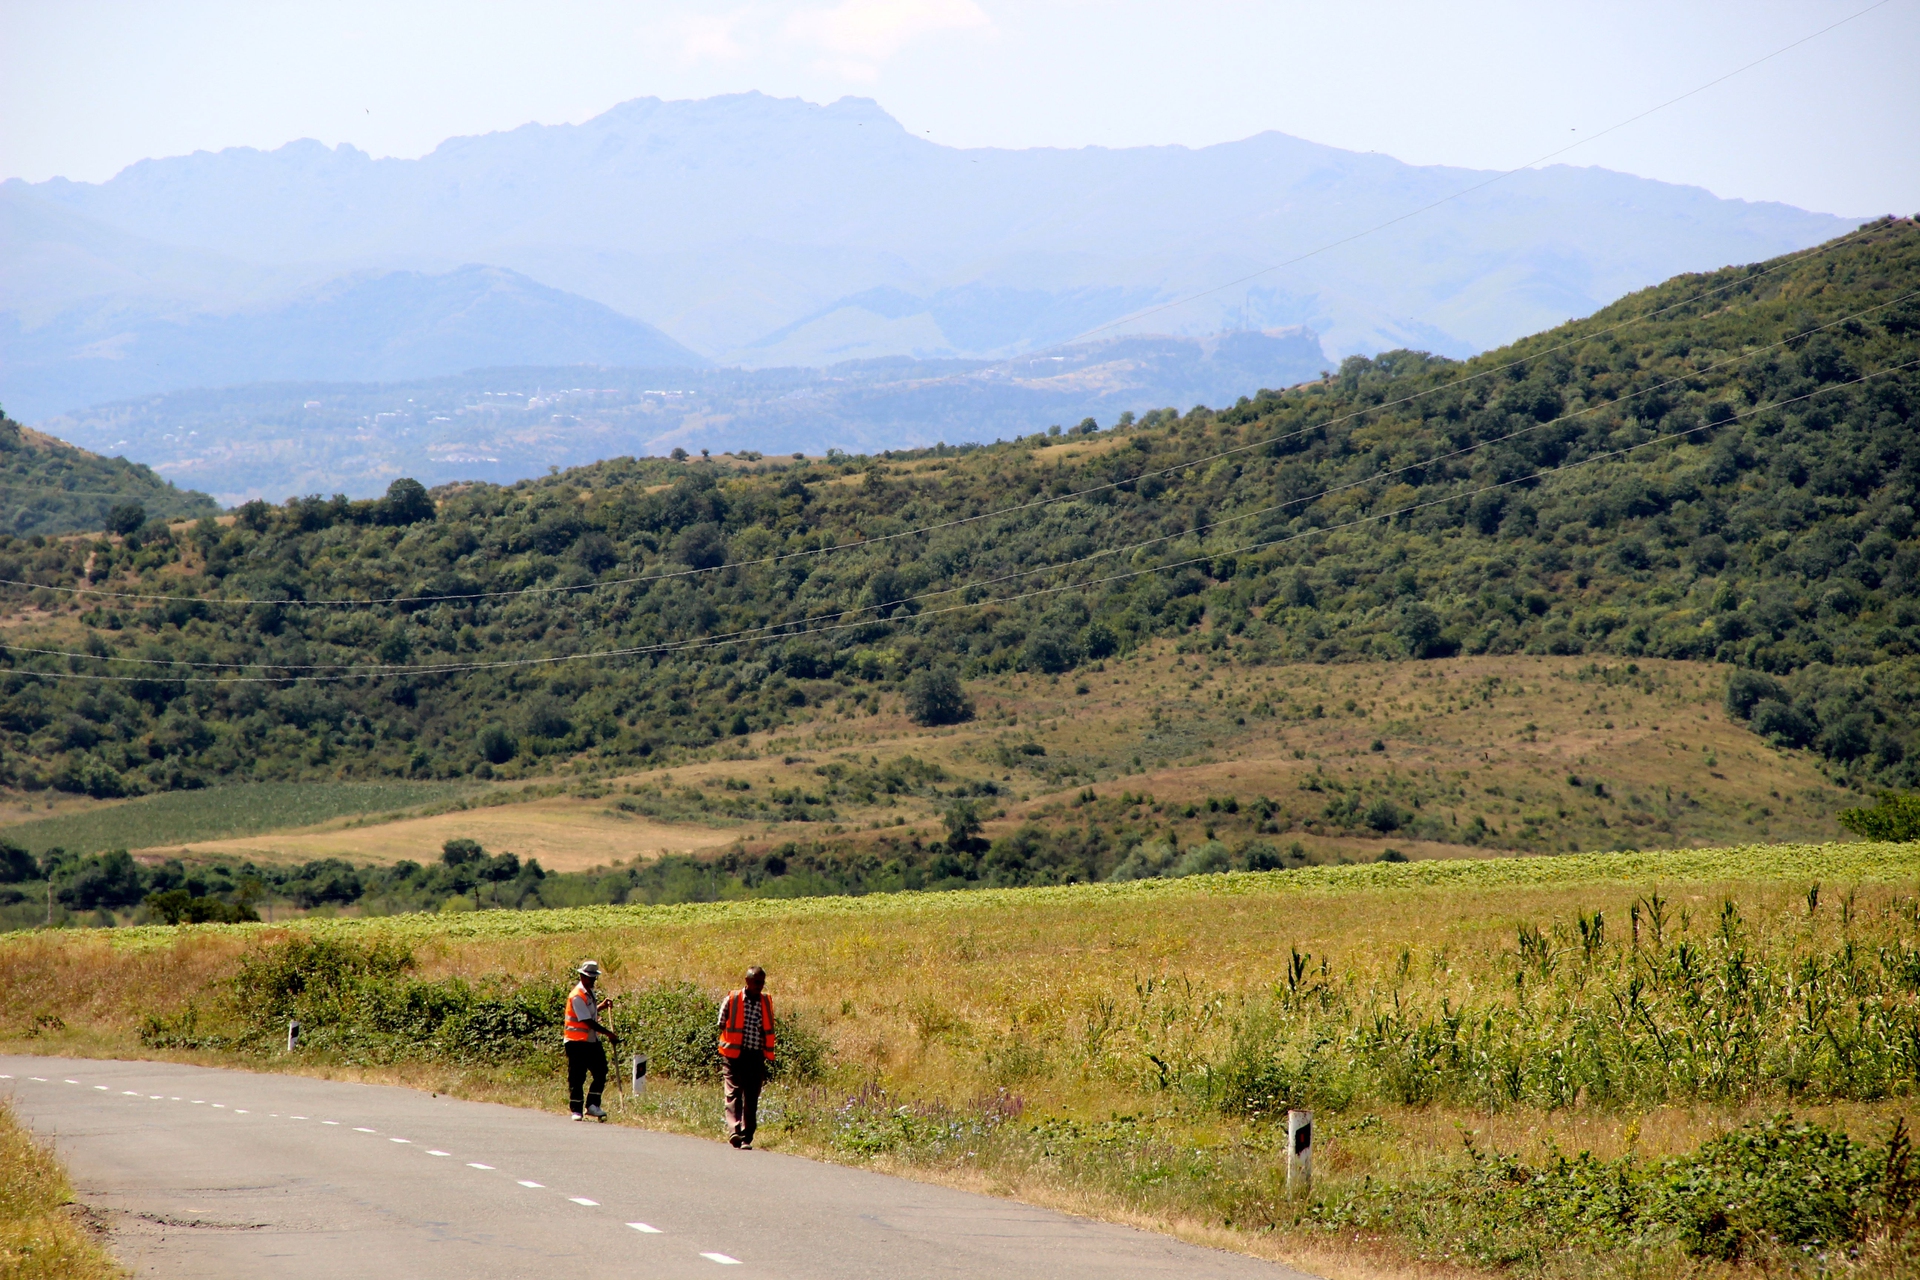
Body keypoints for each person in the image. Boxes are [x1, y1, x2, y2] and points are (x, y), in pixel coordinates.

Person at [716, 966, 776, 1149]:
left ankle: (747, 1136)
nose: (760, 985)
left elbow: (768, 1028)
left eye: (762, 982)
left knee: (751, 1096)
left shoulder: (766, 1001)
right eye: (757, 982)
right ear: (747, 981)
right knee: (733, 1093)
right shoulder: (732, 999)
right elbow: (721, 1023)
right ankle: (734, 1131)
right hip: (733, 1055)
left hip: (756, 1056)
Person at [564, 960, 620, 1122]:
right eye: (590, 978)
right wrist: (608, 1034)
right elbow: (587, 1021)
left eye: (595, 977)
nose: (593, 980)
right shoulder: (577, 996)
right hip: (576, 1042)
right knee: (577, 1076)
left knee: (601, 1071)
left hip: (590, 1040)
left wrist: (601, 1006)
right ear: (582, 976)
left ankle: (593, 1105)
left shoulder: (590, 993)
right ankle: (576, 1110)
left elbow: (590, 1013)